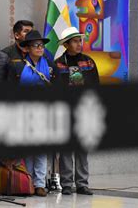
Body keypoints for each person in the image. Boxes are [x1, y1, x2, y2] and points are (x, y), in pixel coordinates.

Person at [7, 30, 58, 197]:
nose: (40, 48)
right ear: (27, 48)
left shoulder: (50, 66)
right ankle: (27, 181)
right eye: (36, 45)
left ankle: (40, 184)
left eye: (42, 45)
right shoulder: (17, 65)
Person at [55, 27, 98, 196]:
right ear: (66, 44)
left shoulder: (89, 62)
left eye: (80, 40)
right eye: (74, 41)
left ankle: (82, 184)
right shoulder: (58, 63)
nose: (79, 44)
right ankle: (66, 183)